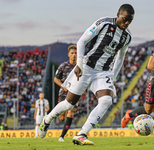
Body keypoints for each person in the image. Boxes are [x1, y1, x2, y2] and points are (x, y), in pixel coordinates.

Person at [39, 4, 135, 145]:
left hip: (103, 72)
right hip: (87, 66)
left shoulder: (127, 37)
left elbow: (120, 58)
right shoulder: (104, 23)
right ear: (118, 14)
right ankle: (47, 120)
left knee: (106, 101)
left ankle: (82, 133)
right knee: (69, 104)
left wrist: (113, 76)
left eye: (130, 21)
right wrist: (79, 64)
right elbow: (82, 41)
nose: (127, 23)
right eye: (125, 19)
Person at [54, 45, 77, 142]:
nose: (74, 55)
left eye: (75, 53)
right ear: (68, 54)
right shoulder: (63, 66)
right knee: (62, 118)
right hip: (63, 93)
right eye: (72, 53)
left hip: (75, 93)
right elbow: (56, 79)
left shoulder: (80, 67)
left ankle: (62, 136)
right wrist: (64, 87)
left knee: (71, 113)